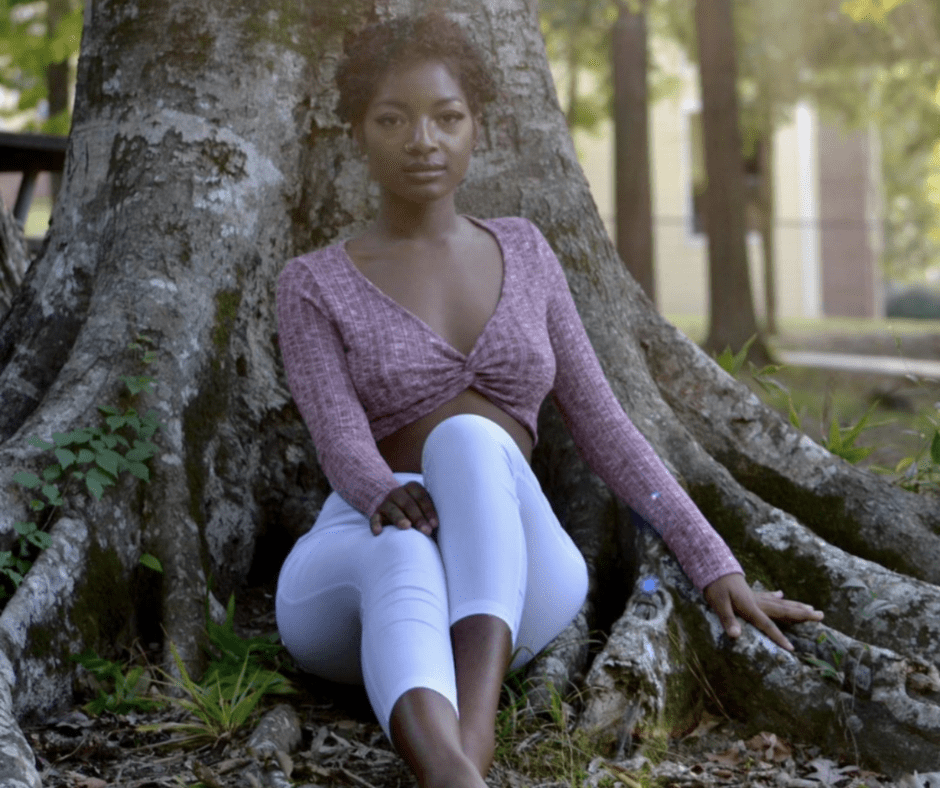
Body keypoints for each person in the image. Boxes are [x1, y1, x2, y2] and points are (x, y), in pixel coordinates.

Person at [275, 14, 823, 788]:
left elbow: (605, 426)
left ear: (478, 129)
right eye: (393, 119)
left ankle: (464, 742)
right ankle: (462, 773)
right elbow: (338, 439)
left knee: (467, 442)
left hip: (517, 566)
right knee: (401, 547)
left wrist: (713, 564)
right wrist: (378, 493)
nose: (422, 140)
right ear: (359, 131)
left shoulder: (526, 252)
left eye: (447, 117)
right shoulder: (314, 282)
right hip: (361, 554)